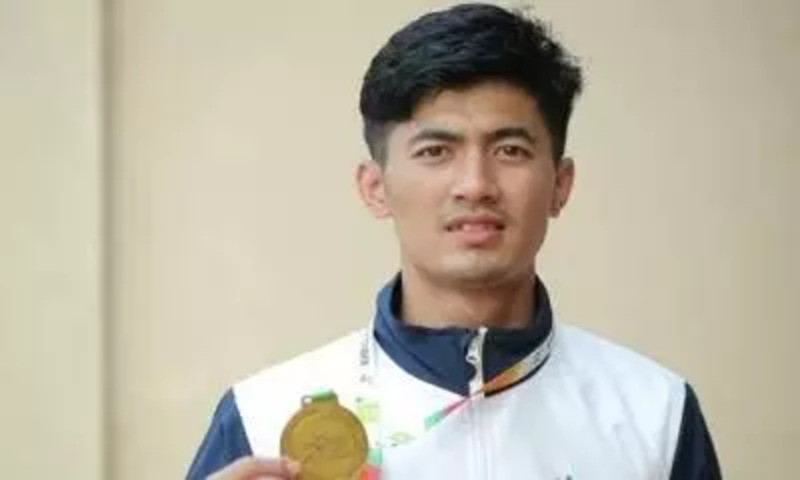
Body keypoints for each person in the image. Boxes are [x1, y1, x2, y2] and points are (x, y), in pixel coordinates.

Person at [187, 3, 722, 479]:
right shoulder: (261, 419)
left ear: (560, 185)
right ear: (375, 188)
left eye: (510, 150)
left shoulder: (655, 415)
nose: (475, 185)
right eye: (435, 152)